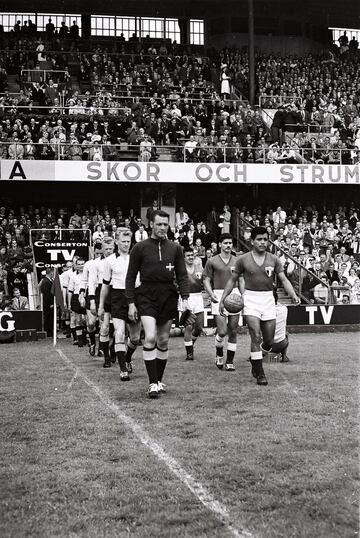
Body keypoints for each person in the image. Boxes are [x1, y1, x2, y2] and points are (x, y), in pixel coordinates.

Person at [220, 226, 300, 386]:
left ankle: (255, 361)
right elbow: (232, 279)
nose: (263, 242)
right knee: (256, 336)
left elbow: (283, 279)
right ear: (252, 241)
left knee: (269, 341)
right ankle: (260, 373)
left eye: (265, 239)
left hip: (268, 300)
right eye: (259, 239)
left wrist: (293, 294)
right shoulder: (243, 259)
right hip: (250, 299)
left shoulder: (274, 259)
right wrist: (223, 299)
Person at [125, 210, 190, 398]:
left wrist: (184, 299)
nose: (163, 228)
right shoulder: (139, 248)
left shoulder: (176, 248)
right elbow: (130, 277)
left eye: (165, 224)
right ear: (150, 225)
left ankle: (158, 381)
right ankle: (152, 383)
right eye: (159, 224)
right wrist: (131, 302)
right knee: (151, 337)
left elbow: (182, 275)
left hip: (168, 295)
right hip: (146, 294)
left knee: (163, 340)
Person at [99, 229, 141, 381]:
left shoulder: (136, 258)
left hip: (135, 296)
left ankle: (128, 358)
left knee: (135, 338)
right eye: (123, 241)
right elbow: (105, 286)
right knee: (119, 333)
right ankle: (123, 369)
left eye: (128, 241)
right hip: (117, 297)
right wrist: (100, 306)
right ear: (117, 241)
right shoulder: (109, 261)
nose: (126, 244)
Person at [203, 233, 241, 371]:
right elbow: (206, 279)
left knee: (233, 330)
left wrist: (243, 294)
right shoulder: (212, 261)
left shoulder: (237, 261)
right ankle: (219, 353)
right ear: (220, 245)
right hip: (218, 294)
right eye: (225, 243)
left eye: (230, 243)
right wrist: (211, 293)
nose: (228, 245)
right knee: (223, 331)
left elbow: (241, 279)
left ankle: (229, 361)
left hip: (235, 296)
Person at [89, 237, 115, 367]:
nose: (109, 251)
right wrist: (93, 300)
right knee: (104, 326)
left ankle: (115, 351)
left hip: (116, 292)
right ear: (102, 250)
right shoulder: (95, 264)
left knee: (117, 327)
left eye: (111, 249)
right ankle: (106, 358)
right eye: (106, 249)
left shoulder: (119, 261)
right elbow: (92, 282)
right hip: (102, 293)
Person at [179, 248, 204, 361]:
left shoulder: (200, 268)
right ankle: (189, 353)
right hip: (186, 298)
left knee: (198, 327)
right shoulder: (181, 269)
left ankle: (191, 344)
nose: (190, 257)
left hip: (198, 297)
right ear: (184, 257)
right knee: (188, 326)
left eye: (192, 255)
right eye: (188, 255)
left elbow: (205, 281)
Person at [79, 243, 103, 356]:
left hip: (103, 292)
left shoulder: (106, 263)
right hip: (91, 293)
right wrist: (81, 293)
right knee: (91, 323)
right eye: (97, 253)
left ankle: (102, 348)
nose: (99, 255)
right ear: (93, 252)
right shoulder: (88, 264)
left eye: (100, 253)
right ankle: (92, 342)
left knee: (104, 323)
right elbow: (84, 280)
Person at [270, 288, 290, 363]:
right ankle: (284, 356)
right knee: (286, 334)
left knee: (255, 331)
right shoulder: (284, 309)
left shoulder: (263, 311)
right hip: (281, 344)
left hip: (264, 345)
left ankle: (254, 354)